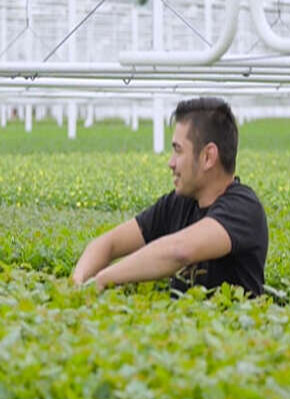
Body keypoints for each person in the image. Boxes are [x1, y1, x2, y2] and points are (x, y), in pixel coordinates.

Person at [72, 97, 268, 296]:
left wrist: (104, 278)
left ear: (208, 157)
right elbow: (107, 244)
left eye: (178, 151)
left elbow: (179, 251)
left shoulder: (243, 208)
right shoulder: (178, 203)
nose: (171, 163)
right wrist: (76, 283)